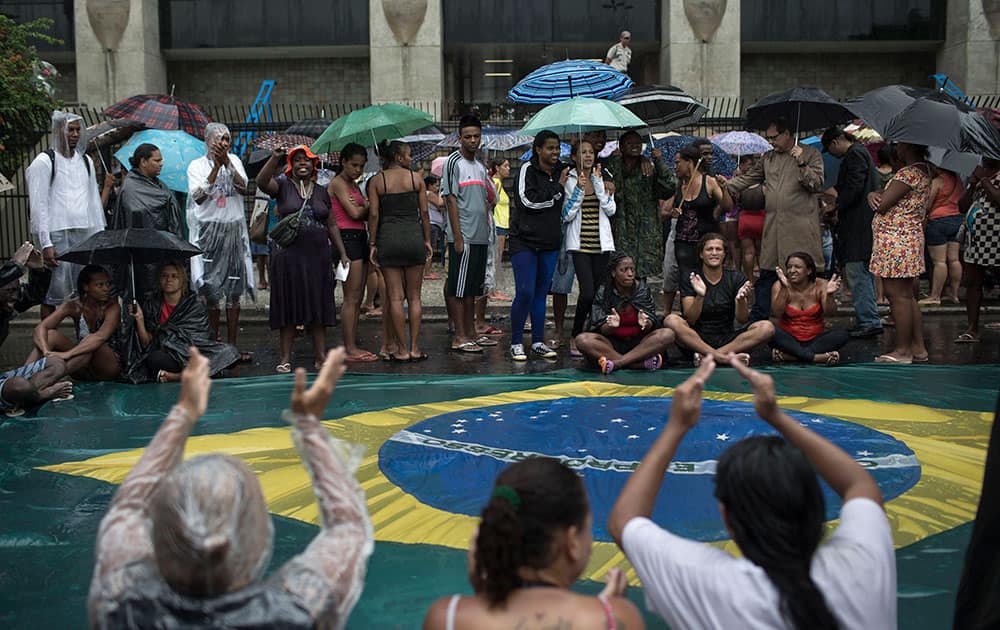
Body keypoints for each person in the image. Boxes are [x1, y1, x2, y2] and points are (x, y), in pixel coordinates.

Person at [87, 348, 373, 629]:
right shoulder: (298, 613)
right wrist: (309, 429)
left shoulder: (119, 602)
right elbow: (348, 528)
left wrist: (183, 413)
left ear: (159, 534)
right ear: (256, 537)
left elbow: (128, 506)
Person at [608, 355, 896, 630]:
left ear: (726, 516)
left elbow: (624, 521)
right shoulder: (861, 564)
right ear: (816, 504)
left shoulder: (711, 584)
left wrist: (676, 426)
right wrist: (776, 416)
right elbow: (860, 484)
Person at [423, 457, 644, 630]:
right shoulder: (615, 618)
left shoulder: (447, 617)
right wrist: (606, 608)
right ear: (572, 542)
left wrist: (483, 591)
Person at [256, 145, 349, 373]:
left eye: (306, 160)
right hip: (288, 258)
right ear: (291, 165)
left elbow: (332, 224)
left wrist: (343, 252)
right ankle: (285, 358)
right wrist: (274, 158)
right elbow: (261, 182)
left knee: (317, 307)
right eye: (297, 160)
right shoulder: (283, 187)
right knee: (288, 307)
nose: (302, 164)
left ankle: (320, 356)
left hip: (317, 258)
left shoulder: (322, 192)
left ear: (313, 165)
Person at [727, 117, 826, 322]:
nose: (771, 141)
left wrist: (801, 162)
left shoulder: (811, 154)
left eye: (774, 137)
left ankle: (805, 320)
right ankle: (758, 321)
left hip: (801, 229)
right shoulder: (768, 158)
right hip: (773, 229)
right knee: (768, 274)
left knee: (802, 275)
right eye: (768, 137)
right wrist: (725, 186)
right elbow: (749, 178)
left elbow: (816, 184)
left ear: (787, 134)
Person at [25, 110, 106, 318]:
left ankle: (83, 338)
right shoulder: (44, 162)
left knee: (84, 289)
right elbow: (39, 204)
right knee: (52, 291)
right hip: (57, 235)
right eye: (70, 129)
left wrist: (99, 235)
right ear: (59, 131)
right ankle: (47, 340)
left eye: (78, 130)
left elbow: (93, 203)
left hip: (83, 234)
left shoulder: (85, 161)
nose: (75, 134)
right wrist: (46, 243)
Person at [186, 123, 254, 356]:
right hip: (209, 232)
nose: (224, 144)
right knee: (212, 292)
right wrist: (215, 169)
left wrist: (227, 164)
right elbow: (198, 197)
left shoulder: (234, 160)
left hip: (232, 229)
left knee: (234, 291)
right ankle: (214, 347)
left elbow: (244, 188)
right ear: (207, 141)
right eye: (219, 139)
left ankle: (233, 346)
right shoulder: (196, 166)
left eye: (227, 139)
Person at [666, 233, 774, 365]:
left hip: (728, 340)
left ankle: (710, 358)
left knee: (766, 327)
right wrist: (700, 296)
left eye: (718, 249)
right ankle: (723, 358)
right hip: (697, 340)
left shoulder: (736, 277)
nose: (714, 253)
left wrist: (740, 301)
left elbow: (742, 319)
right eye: (709, 249)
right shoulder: (692, 277)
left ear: (724, 254)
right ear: (701, 254)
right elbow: (690, 318)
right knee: (671, 320)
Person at [369, 140, 433, 362]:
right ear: (398, 157)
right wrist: (427, 240)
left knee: (395, 298)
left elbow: (374, 215)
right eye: (408, 155)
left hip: (388, 239)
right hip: (413, 237)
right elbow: (424, 212)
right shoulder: (416, 179)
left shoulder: (377, 181)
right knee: (414, 297)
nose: (410, 158)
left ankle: (402, 350)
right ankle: (415, 347)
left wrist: (372, 243)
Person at [867, 142, 930, 364]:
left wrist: (872, 196)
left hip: (897, 241)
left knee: (898, 296)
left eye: (901, 144)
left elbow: (882, 204)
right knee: (907, 296)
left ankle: (903, 351)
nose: (897, 147)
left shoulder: (909, 173)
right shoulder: (921, 170)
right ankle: (917, 347)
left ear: (909, 148)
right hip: (905, 239)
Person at [126, 262, 240, 383]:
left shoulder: (194, 304)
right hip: (170, 355)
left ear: (182, 280)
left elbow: (201, 338)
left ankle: (177, 376)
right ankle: (207, 372)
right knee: (155, 358)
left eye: (174, 276)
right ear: (159, 279)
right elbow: (146, 344)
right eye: (164, 276)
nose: (169, 280)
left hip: (194, 352)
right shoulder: (152, 305)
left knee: (230, 353)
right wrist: (140, 319)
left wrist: (180, 344)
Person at [508, 130, 567, 361]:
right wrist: (556, 192)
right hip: (524, 240)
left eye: (557, 147)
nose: (555, 152)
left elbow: (586, 165)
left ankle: (538, 341)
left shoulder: (562, 170)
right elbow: (526, 201)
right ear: (538, 150)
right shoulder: (526, 170)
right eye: (550, 148)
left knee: (541, 294)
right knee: (525, 291)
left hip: (550, 242)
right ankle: (515, 342)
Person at [819, 126, 882, 340]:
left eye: (830, 148)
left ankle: (869, 321)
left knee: (857, 273)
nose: (833, 154)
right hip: (862, 224)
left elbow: (853, 187)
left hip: (857, 225)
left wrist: (836, 206)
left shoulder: (854, 155)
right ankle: (869, 318)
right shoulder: (861, 153)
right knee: (863, 273)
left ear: (836, 141)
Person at [442, 115, 496, 354]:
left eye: (476, 136)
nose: (473, 141)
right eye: (468, 137)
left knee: (473, 288)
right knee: (458, 287)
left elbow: (485, 200)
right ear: (459, 138)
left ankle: (472, 333)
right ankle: (459, 336)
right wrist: (458, 236)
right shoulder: (453, 162)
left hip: (481, 235)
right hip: (463, 235)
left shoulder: (480, 166)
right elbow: (450, 199)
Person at [575, 252, 674, 374]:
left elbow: (651, 323)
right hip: (611, 345)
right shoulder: (604, 291)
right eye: (624, 270)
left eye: (632, 269)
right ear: (613, 273)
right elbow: (598, 326)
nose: (630, 274)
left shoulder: (642, 289)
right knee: (582, 340)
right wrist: (610, 326)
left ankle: (618, 363)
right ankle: (636, 364)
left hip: (639, 345)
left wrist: (646, 323)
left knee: (667, 334)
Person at [112, 142, 186, 300]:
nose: (161, 164)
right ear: (143, 161)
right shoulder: (131, 187)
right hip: (141, 256)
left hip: (163, 251)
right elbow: (136, 213)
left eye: (161, 160)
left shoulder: (159, 184)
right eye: (156, 160)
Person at [564, 139, 617, 351]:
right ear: (574, 157)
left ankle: (592, 334)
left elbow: (611, 209)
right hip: (580, 246)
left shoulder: (604, 179)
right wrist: (578, 190)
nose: (587, 156)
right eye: (583, 152)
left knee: (599, 294)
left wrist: (598, 186)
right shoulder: (570, 180)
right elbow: (566, 215)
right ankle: (575, 334)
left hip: (601, 245)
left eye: (590, 152)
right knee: (586, 292)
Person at [27, 265, 122, 381]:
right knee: (50, 335)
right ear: (86, 287)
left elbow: (100, 337)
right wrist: (46, 350)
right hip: (81, 365)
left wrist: (68, 354)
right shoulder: (74, 306)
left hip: (107, 367)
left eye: (108, 284)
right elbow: (42, 327)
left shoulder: (112, 307)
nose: (106, 289)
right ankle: (24, 375)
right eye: (100, 285)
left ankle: (45, 380)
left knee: (90, 342)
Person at [663, 145, 732, 298]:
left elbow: (727, 206)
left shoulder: (709, 182)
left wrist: (725, 189)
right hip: (683, 242)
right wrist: (672, 212)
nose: (676, 167)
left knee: (707, 277)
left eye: (678, 162)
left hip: (706, 240)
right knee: (686, 279)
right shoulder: (678, 184)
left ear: (690, 162)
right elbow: (664, 211)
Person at [605, 130, 676, 280]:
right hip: (620, 230)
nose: (635, 146)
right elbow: (612, 192)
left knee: (641, 277)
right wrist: (616, 161)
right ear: (621, 146)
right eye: (630, 143)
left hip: (644, 234)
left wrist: (658, 161)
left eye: (638, 143)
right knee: (618, 272)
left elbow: (670, 187)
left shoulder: (648, 168)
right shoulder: (611, 165)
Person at [329, 142, 377, 363]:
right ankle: (348, 347)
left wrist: (365, 206)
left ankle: (352, 343)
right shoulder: (338, 183)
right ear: (343, 163)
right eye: (354, 165)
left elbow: (362, 212)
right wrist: (369, 205)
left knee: (357, 298)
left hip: (358, 237)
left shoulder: (354, 185)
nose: (358, 170)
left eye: (362, 166)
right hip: (347, 239)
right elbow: (355, 213)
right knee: (352, 297)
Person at [770, 252, 849, 365]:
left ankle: (791, 356)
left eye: (797, 267)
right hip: (788, 339)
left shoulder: (821, 285)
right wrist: (784, 288)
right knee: (770, 331)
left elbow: (831, 313)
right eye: (789, 267)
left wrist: (830, 295)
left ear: (809, 271)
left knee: (843, 334)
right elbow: (776, 313)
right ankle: (816, 357)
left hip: (815, 339)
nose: (792, 270)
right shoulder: (779, 285)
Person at [956, 158, 1000, 344]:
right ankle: (972, 328)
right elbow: (962, 206)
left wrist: (984, 180)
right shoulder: (978, 176)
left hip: (996, 239)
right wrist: (972, 186)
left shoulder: (989, 177)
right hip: (975, 239)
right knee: (972, 282)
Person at [920, 166, 965, 305]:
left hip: (938, 221)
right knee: (954, 259)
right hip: (957, 219)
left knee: (939, 261)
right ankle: (954, 294)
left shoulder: (938, 181)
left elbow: (927, 205)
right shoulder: (958, 179)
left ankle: (935, 296)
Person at [0, 241, 51, 348]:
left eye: (16, 290)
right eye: (9, 291)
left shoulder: (8, 303)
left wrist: (39, 271)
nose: (15, 296)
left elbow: (35, 295)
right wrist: (15, 266)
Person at [487, 158, 512, 301]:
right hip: (498, 224)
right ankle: (492, 291)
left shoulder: (499, 183)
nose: (508, 168)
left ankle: (493, 289)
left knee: (497, 257)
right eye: (505, 166)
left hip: (502, 224)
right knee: (496, 257)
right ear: (497, 167)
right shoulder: (496, 183)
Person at [424, 174, 445, 280]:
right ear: (429, 185)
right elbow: (440, 204)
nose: (437, 188)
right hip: (432, 223)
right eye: (436, 186)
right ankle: (427, 272)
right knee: (430, 248)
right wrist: (442, 193)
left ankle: (427, 270)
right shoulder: (429, 194)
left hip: (433, 223)